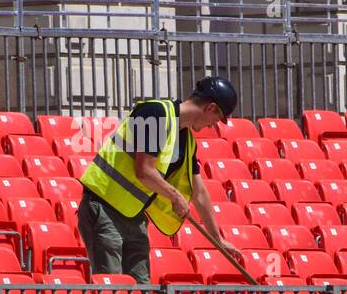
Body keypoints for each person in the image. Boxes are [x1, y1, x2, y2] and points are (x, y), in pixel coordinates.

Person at [77, 76, 238, 283]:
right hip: (104, 209)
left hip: (134, 215)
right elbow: (144, 171)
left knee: (142, 293)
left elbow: (199, 193)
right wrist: (175, 196)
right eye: (217, 119)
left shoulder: (186, 140)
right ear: (211, 108)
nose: (213, 126)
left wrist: (217, 239)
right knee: (112, 291)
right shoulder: (155, 113)